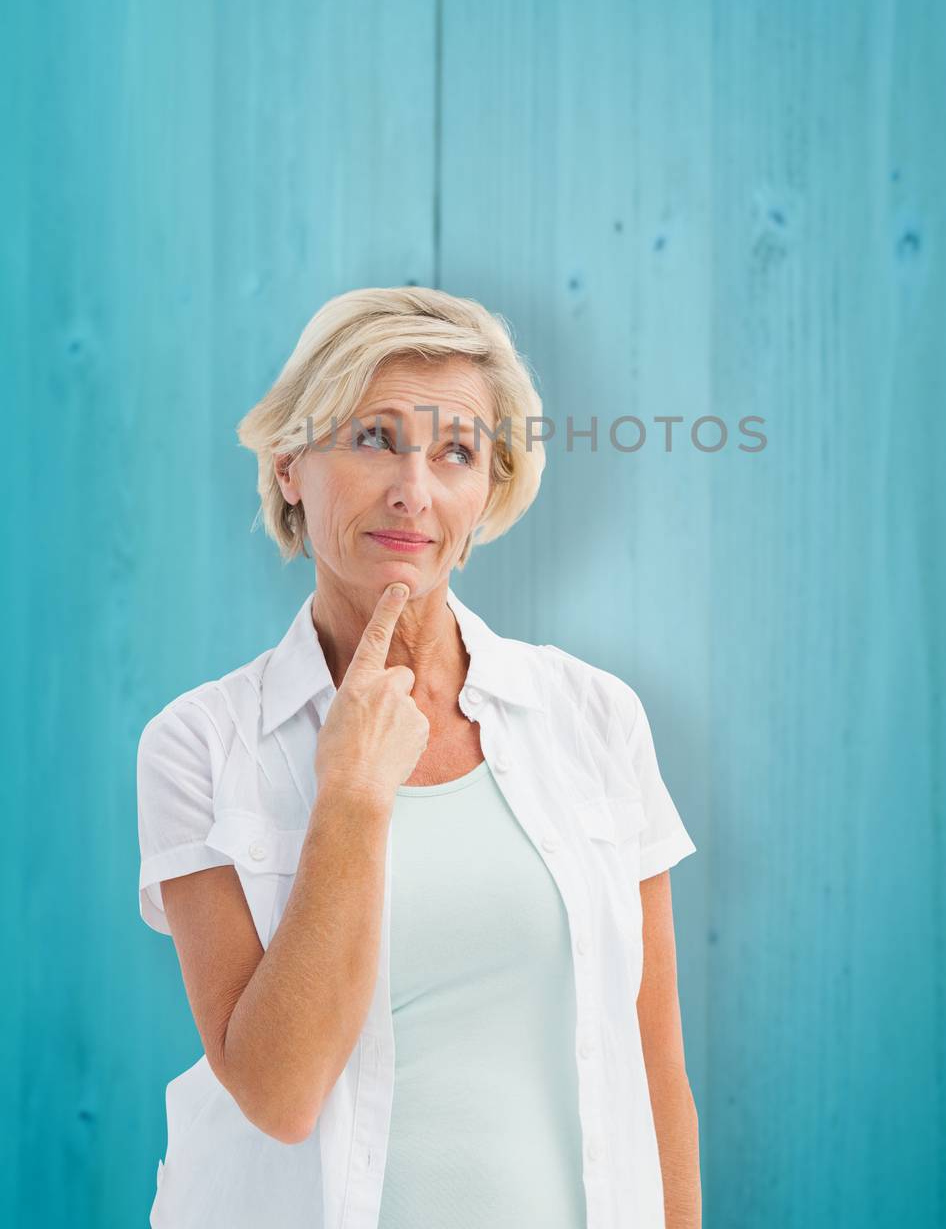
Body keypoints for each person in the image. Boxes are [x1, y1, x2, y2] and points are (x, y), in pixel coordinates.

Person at [137, 285, 700, 1228]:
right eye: (372, 439)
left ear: (487, 492)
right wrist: (353, 792)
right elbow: (279, 1094)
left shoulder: (594, 716)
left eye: (455, 453)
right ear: (288, 465)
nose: (415, 490)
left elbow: (656, 1072)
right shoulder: (200, 744)